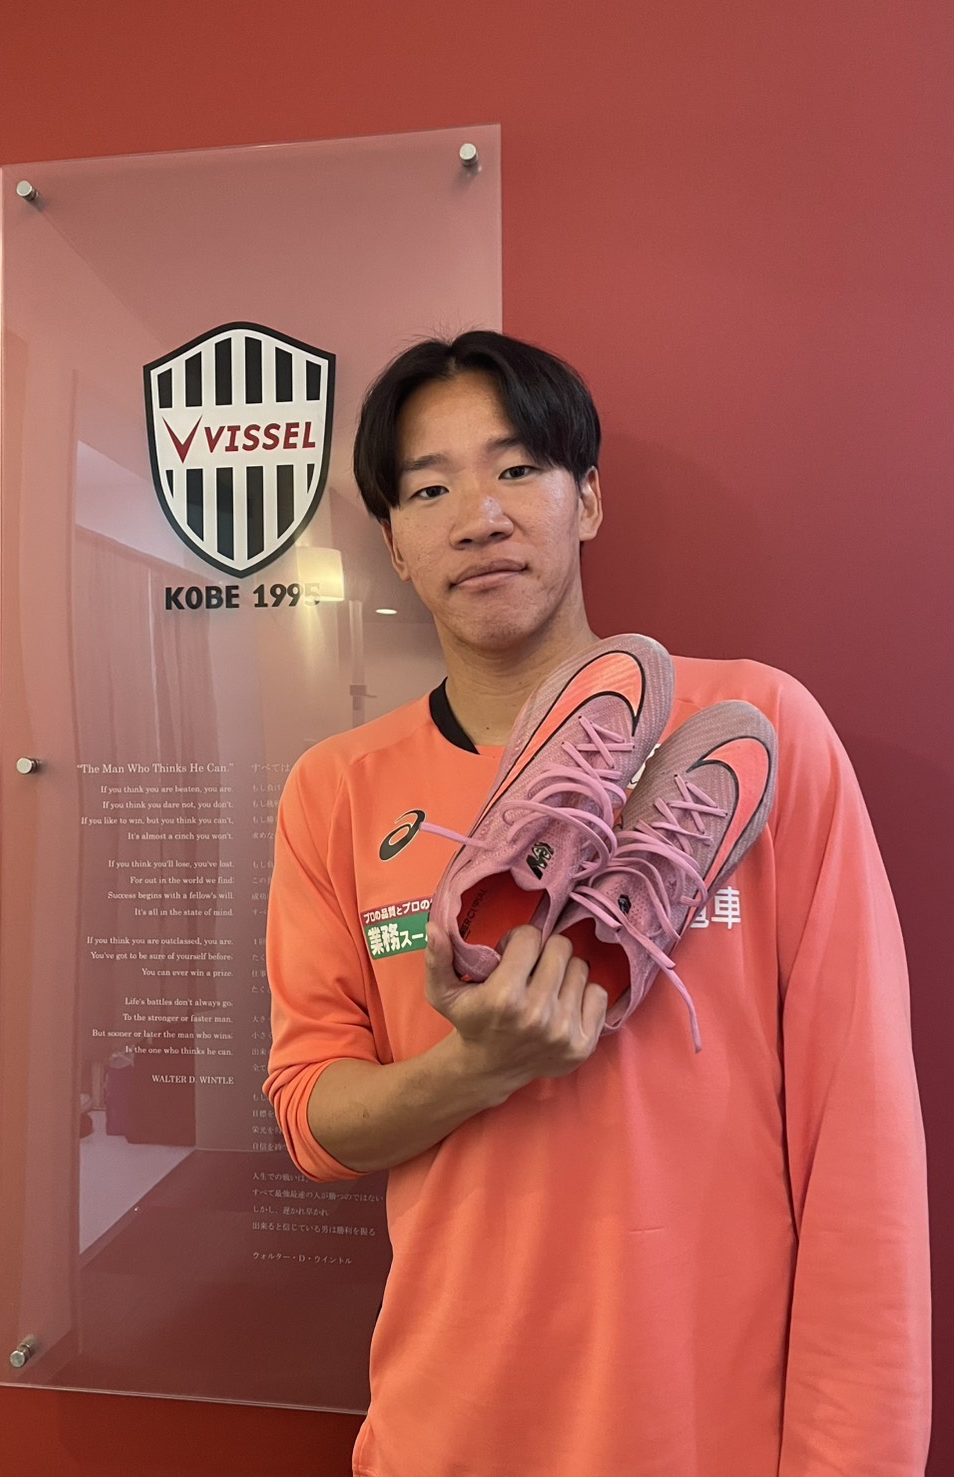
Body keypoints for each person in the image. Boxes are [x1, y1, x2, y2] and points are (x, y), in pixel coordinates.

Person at [264, 331, 930, 1477]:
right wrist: (477, 1067)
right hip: (447, 1433)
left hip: (710, 1438)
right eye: (429, 489)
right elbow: (310, 1118)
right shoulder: (337, 789)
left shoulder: (759, 729)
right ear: (395, 545)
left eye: (518, 468)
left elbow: (859, 1144)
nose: (479, 516)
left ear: (588, 498)